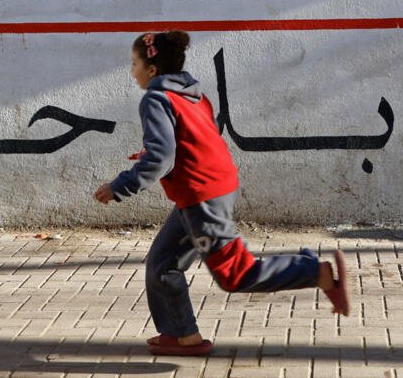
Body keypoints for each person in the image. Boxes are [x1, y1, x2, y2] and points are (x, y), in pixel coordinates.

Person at [94, 31, 349, 357]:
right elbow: (196, 139)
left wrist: (121, 186)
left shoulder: (155, 99)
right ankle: (182, 334)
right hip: (208, 188)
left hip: (202, 196)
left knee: (235, 275)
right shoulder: (194, 95)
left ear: (152, 69)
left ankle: (317, 272)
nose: (132, 71)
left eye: (134, 64)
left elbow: (162, 158)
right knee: (163, 261)